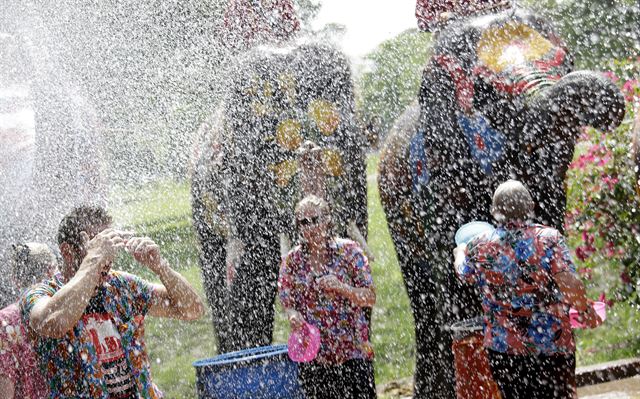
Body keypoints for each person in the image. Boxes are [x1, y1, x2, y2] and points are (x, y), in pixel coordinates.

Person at [21, 205, 205, 398]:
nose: (107, 257)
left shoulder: (120, 286)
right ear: (67, 252)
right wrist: (93, 259)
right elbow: (53, 323)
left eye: (109, 246)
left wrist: (161, 267)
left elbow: (192, 309)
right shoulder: (40, 294)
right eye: (99, 245)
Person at [453, 180, 600, 399]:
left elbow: (464, 272)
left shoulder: (479, 245)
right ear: (531, 207)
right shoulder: (548, 239)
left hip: (504, 350)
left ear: (494, 212)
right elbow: (569, 282)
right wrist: (585, 310)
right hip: (552, 346)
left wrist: (460, 253)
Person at [278, 195, 376, 399]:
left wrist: (342, 288)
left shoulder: (350, 251)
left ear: (328, 219)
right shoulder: (292, 261)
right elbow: (288, 303)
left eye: (316, 219)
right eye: (304, 222)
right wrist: (293, 315)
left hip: (352, 353)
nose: (311, 227)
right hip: (315, 358)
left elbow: (369, 297)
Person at [0, 242, 57, 399]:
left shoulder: (6, 322)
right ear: (51, 272)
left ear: (15, 279)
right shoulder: (66, 314)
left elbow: (5, 390)